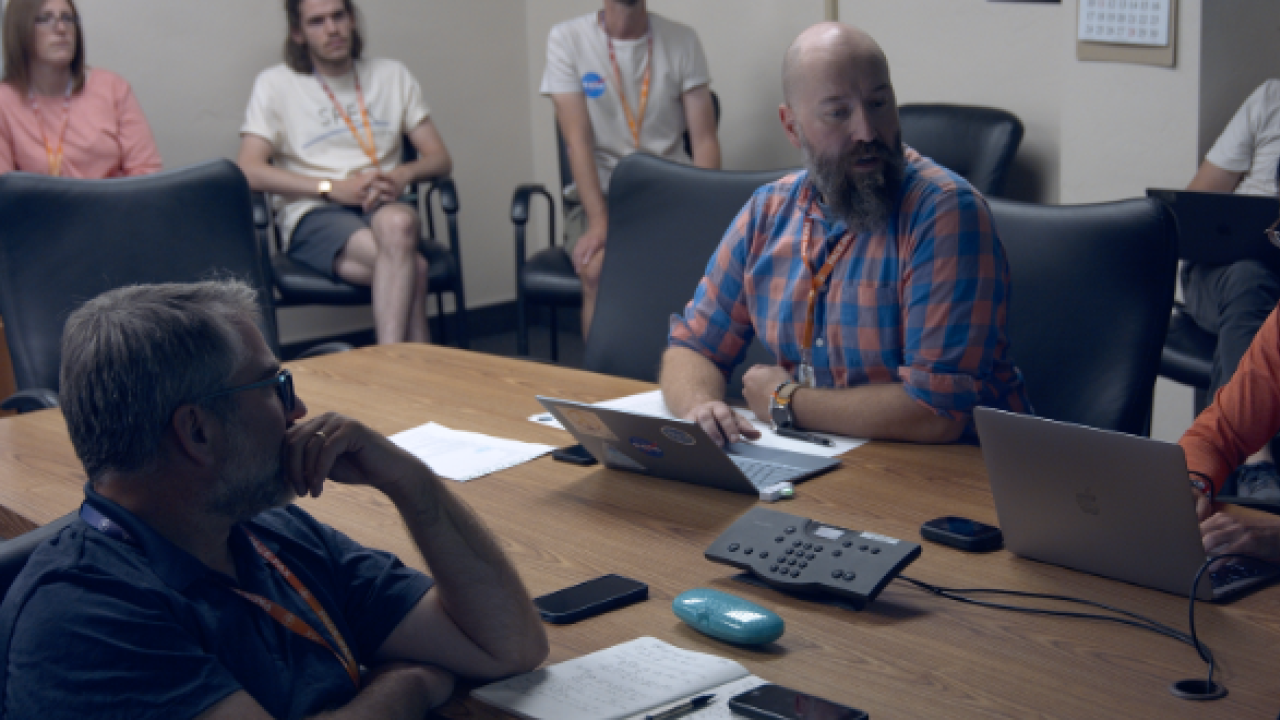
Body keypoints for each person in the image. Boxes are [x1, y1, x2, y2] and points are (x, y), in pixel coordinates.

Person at [0, 280, 548, 719]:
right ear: (198, 432)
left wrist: (411, 483)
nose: (299, 409)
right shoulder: (84, 619)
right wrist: (406, 686)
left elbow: (507, 647)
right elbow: (441, 670)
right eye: (276, 386)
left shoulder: (266, 532)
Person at [661, 22, 1028, 447]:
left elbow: (936, 412)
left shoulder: (944, 213)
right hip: (831, 460)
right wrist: (700, 407)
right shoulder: (767, 212)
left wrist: (786, 400)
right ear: (791, 125)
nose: (867, 132)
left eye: (878, 103)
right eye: (838, 113)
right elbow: (693, 347)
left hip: (958, 479)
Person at [237, 0, 452, 345]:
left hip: (381, 202)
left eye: (338, 16)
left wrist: (400, 176)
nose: (332, 29)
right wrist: (330, 187)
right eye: (317, 21)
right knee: (417, 268)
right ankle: (403, 367)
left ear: (352, 20)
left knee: (399, 224)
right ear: (298, 33)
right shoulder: (275, 84)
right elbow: (247, 169)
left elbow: (440, 158)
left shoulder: (391, 75)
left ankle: (391, 371)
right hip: (315, 211)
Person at [541, 0, 721, 339]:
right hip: (603, 197)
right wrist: (598, 222)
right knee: (596, 270)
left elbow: (705, 140)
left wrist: (704, 215)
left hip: (673, 195)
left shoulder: (682, 40)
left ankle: (678, 377)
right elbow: (576, 143)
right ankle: (598, 388)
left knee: (698, 269)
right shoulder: (567, 39)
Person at [1181, 80, 1280, 485]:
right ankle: (1256, 467)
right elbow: (1215, 436)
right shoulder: (1271, 99)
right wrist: (1194, 483)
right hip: (1223, 274)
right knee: (1249, 277)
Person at [0, 0, 161, 177]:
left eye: (68, 18)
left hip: (114, 203)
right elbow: (5, 192)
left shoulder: (113, 88)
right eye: (45, 19)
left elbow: (147, 173)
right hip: (38, 205)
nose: (61, 29)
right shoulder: (5, 101)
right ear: (19, 29)